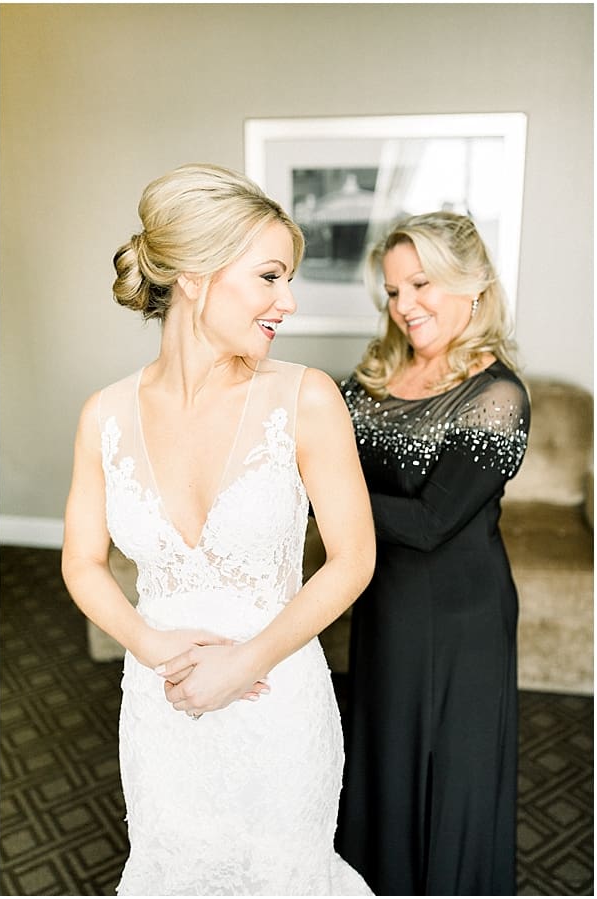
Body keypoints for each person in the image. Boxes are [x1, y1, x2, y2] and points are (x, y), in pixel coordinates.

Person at [60, 163, 375, 895]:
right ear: (195, 278)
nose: (287, 301)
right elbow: (81, 562)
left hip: (278, 705)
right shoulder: (103, 415)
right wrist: (149, 643)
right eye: (269, 276)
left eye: (287, 279)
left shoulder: (306, 399)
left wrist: (245, 662)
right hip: (163, 708)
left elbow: (353, 557)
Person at [335, 212, 530, 895]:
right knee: (383, 758)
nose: (404, 305)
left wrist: (322, 493)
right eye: (393, 290)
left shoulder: (497, 396)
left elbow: (428, 523)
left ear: (473, 284)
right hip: (382, 600)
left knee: (450, 775)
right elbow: (316, 438)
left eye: (421, 284)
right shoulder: (376, 374)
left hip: (459, 617)